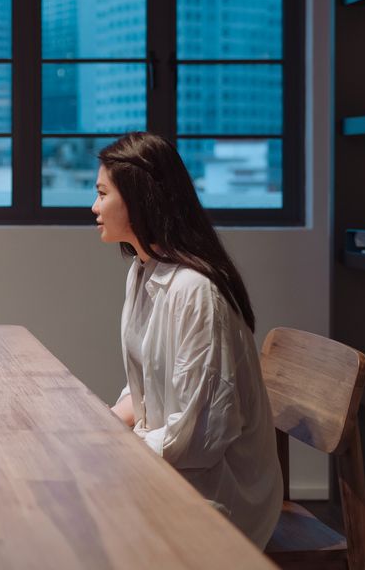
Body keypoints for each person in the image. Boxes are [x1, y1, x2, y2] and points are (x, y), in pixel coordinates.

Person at [92, 132, 282, 548]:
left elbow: (198, 441)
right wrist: (100, 425)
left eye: (103, 193)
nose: (94, 207)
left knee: (80, 522)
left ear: (137, 198)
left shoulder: (195, 291)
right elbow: (144, 388)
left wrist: (114, 452)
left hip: (219, 497)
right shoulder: (143, 271)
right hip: (175, 468)